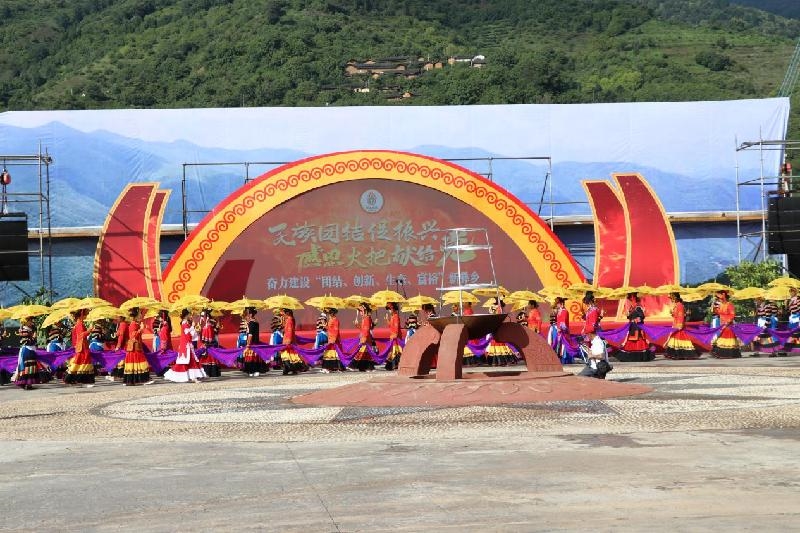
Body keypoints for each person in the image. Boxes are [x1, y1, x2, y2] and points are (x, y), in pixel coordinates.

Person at [164, 309, 207, 383]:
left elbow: (190, 334)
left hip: (187, 344)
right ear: (186, 315)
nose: (190, 315)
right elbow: (187, 333)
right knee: (186, 361)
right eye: (189, 314)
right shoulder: (184, 323)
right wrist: (192, 326)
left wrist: (195, 328)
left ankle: (193, 377)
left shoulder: (186, 323)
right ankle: (191, 377)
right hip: (186, 345)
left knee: (190, 361)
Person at [14, 316, 51, 390]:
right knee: (27, 366)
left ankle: (29, 383)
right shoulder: (23, 330)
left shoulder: (31, 329)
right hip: (27, 350)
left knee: (32, 367)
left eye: (32, 320)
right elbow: (25, 341)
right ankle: (25, 383)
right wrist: (33, 337)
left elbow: (33, 341)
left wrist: (34, 335)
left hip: (31, 350)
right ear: (26, 322)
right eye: (30, 320)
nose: (32, 322)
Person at [616, 292, 652, 362]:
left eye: (631, 298)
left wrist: (636, 320)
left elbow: (642, 316)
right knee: (630, 341)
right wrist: (628, 315)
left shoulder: (638, 307)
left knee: (638, 341)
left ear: (634, 298)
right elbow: (631, 317)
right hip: (632, 328)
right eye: (629, 298)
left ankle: (641, 356)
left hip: (637, 329)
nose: (630, 300)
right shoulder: (631, 308)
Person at [121, 307, 153, 385]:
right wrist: (141, 329)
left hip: (135, 347)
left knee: (136, 364)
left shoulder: (135, 323)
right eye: (139, 314)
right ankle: (144, 380)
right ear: (136, 316)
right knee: (141, 362)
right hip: (135, 347)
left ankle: (134, 380)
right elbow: (133, 336)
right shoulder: (133, 324)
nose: (141, 316)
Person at [64, 308, 96, 385]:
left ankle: (77, 379)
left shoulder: (79, 323)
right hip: (82, 346)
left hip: (82, 345)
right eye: (86, 314)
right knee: (82, 361)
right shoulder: (80, 324)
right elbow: (81, 335)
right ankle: (73, 378)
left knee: (81, 361)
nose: (86, 316)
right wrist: (89, 330)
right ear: (82, 315)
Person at [664, 293, 699, 359]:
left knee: (680, 340)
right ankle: (677, 354)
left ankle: (683, 354)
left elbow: (681, 316)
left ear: (675, 298)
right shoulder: (676, 305)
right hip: (675, 324)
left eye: (672, 298)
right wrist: (672, 313)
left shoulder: (679, 305)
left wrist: (679, 325)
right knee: (675, 340)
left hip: (678, 326)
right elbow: (676, 315)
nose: (671, 300)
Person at [484, 298, 515, 366]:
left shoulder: (494, 307)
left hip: (494, 325)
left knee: (496, 341)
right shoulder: (499, 308)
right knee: (499, 341)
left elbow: (490, 315)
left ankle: (497, 360)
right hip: (498, 325)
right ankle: (502, 359)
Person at [711, 290, 741, 358]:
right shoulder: (721, 305)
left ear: (723, 295)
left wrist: (727, 323)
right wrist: (714, 306)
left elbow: (732, 315)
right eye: (717, 298)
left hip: (728, 326)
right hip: (722, 325)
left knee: (726, 340)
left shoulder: (730, 304)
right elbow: (717, 312)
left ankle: (726, 354)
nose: (718, 299)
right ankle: (721, 354)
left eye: (719, 297)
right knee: (721, 340)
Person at [241, 307, 267, 376]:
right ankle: (254, 371)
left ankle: (253, 371)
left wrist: (248, 344)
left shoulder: (251, 323)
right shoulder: (255, 322)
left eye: (247, 315)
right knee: (255, 358)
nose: (246, 317)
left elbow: (250, 334)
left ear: (250, 315)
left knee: (251, 358)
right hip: (256, 343)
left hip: (252, 344)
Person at [351, 302, 376, 372]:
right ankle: (363, 367)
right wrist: (357, 325)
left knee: (364, 353)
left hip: (366, 338)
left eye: (361, 311)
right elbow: (362, 329)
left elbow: (367, 329)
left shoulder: (367, 318)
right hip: (364, 337)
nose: (360, 313)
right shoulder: (364, 318)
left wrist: (364, 338)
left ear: (365, 310)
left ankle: (359, 366)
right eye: (359, 311)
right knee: (363, 353)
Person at [279, 308, 305, 375]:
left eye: (283, 313)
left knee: (287, 355)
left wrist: (288, 341)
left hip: (288, 340)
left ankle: (290, 369)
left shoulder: (290, 320)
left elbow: (289, 331)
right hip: (287, 339)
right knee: (290, 355)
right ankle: (289, 369)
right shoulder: (289, 319)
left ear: (287, 313)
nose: (282, 314)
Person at [320, 308, 345, 372]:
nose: (328, 314)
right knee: (331, 353)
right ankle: (333, 367)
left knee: (334, 353)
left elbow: (336, 330)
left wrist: (333, 339)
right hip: (330, 338)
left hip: (334, 340)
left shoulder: (335, 320)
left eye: (329, 313)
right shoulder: (331, 319)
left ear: (332, 313)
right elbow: (329, 328)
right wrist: (324, 325)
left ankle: (337, 367)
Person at [198, 308, 221, 377]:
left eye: (203, 316)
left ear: (207, 316)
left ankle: (210, 372)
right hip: (206, 344)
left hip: (210, 345)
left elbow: (211, 337)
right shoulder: (205, 325)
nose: (201, 317)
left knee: (210, 357)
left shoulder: (209, 325)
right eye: (201, 316)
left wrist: (206, 344)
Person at [384, 302, 403, 371]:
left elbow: (396, 328)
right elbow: (391, 326)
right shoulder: (392, 317)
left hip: (396, 337)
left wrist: (394, 335)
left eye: (389, 309)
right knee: (394, 351)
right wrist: (387, 320)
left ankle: (395, 365)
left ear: (393, 309)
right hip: (393, 336)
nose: (389, 311)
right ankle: (393, 365)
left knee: (396, 351)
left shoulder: (396, 316)